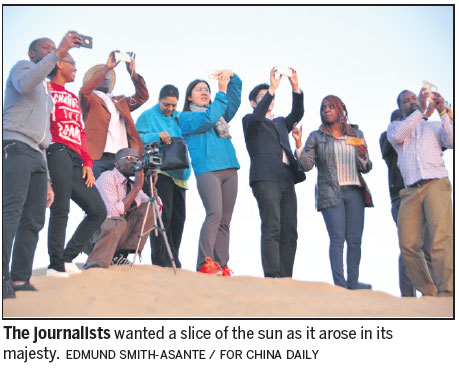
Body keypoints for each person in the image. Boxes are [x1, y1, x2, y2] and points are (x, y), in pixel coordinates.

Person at [3, 31, 82, 299]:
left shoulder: (46, 90)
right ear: (33, 54)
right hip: (15, 145)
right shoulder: (22, 68)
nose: (52, 50)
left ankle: (19, 278)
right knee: (11, 212)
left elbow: (45, 135)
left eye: (54, 48)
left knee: (35, 218)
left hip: (38, 154)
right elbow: (26, 84)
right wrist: (58, 52)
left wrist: (47, 179)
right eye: (46, 48)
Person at [294, 95, 373, 290]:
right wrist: (298, 144)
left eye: (331, 107)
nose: (326, 110)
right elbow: (306, 166)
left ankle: (352, 285)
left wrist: (363, 156)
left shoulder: (356, 132)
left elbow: (366, 167)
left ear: (341, 110)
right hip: (330, 192)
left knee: (355, 241)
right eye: (323, 108)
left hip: (355, 191)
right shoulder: (316, 136)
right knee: (337, 238)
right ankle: (340, 285)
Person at [46, 52, 107, 277]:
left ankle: (67, 257)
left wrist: (87, 162)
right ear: (59, 64)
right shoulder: (45, 89)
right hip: (56, 150)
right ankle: (55, 265)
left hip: (75, 158)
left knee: (98, 210)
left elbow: (80, 132)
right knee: (61, 208)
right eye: (73, 64)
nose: (76, 69)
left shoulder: (71, 97)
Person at [387, 88, 453, 297]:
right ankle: (428, 291)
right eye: (406, 101)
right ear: (400, 107)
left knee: (441, 238)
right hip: (410, 191)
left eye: (414, 98)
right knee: (407, 244)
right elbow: (398, 135)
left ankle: (448, 291)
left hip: (435, 183)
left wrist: (443, 112)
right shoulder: (395, 128)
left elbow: (451, 141)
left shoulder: (433, 127)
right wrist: (422, 111)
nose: (412, 101)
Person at [242, 67, 305, 278]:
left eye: (271, 97)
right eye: (262, 97)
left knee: (290, 230)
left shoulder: (279, 123)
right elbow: (258, 117)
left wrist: (295, 86)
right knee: (272, 226)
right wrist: (272, 87)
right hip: (265, 178)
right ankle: (272, 274)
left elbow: (297, 114)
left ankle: (286, 276)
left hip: (286, 177)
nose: (269, 100)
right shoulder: (250, 120)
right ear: (253, 103)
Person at [180, 71, 242, 276]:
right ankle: (205, 262)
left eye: (207, 89)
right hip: (208, 170)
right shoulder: (187, 117)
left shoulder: (219, 111)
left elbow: (232, 100)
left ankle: (222, 264)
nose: (205, 92)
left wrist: (232, 78)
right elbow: (208, 119)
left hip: (230, 168)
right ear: (189, 97)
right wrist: (220, 93)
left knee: (225, 220)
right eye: (199, 90)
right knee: (214, 213)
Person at [136, 84, 191, 268]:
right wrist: (156, 135)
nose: (170, 109)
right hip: (159, 172)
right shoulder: (148, 116)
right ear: (159, 100)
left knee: (179, 219)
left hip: (180, 174)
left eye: (174, 105)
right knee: (162, 217)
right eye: (167, 104)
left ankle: (173, 258)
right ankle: (161, 261)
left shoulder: (179, 118)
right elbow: (136, 137)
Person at [380, 109, 433, 297]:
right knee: (409, 247)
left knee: (429, 248)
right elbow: (392, 140)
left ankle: (432, 296)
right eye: (399, 121)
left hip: (424, 195)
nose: (404, 125)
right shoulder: (387, 138)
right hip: (401, 198)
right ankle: (408, 298)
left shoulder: (420, 140)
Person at [79, 51, 148, 179]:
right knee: (100, 196)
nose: (106, 77)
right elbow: (84, 92)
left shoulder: (121, 101)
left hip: (122, 159)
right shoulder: (90, 99)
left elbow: (143, 96)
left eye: (108, 76)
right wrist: (106, 69)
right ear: (92, 81)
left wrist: (132, 73)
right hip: (99, 157)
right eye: (101, 76)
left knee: (122, 196)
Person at [83, 148, 154, 269]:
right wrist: (137, 187)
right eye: (131, 159)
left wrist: (150, 186)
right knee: (117, 221)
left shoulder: (132, 184)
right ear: (117, 163)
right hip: (95, 235)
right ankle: (95, 264)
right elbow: (112, 213)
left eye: (138, 159)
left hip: (117, 234)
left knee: (150, 207)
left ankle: (120, 255)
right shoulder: (108, 177)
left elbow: (156, 208)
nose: (136, 162)